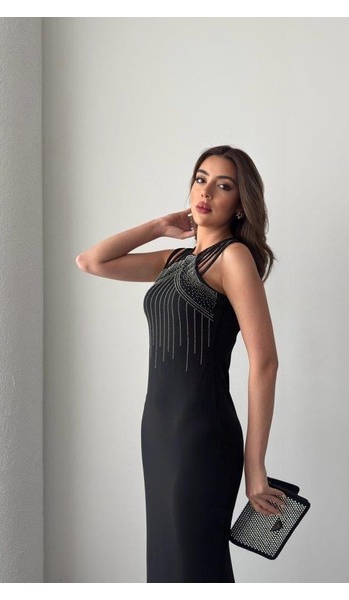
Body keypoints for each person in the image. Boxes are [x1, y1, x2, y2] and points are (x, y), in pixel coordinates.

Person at [75, 144, 286, 583]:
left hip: (201, 433)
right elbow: (91, 261)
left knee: (194, 568)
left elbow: (265, 362)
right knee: (167, 566)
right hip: (158, 431)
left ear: (240, 204)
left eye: (223, 185)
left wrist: (255, 468)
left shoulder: (233, 258)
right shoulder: (174, 260)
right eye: (200, 179)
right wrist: (158, 227)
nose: (206, 191)